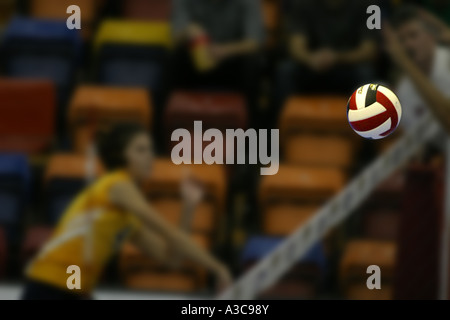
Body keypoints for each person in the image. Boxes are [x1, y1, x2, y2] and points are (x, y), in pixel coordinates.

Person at [22, 123, 232, 300]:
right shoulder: (118, 185)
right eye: (140, 150)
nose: (149, 156)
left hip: (71, 283)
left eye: (150, 149)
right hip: (53, 282)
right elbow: (169, 232)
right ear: (122, 156)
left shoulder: (127, 217)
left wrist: (188, 207)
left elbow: (172, 259)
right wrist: (218, 268)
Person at [169, 0, 265, 124]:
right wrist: (187, 31)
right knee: (173, 59)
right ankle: (167, 129)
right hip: (196, 64)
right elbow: (174, 39)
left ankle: (252, 131)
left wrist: (224, 51)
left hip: (233, 64)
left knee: (253, 63)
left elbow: (255, 42)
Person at [274, 0, 377, 113]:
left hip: (347, 66)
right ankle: (285, 122)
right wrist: (311, 59)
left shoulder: (370, 6)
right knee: (286, 71)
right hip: (311, 65)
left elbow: (370, 50)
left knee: (366, 73)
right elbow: (295, 47)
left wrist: (336, 57)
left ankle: (365, 124)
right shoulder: (301, 4)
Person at [384, 6, 450, 133]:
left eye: (413, 35)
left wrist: (405, 64)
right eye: (401, 40)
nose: (408, 44)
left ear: (431, 36)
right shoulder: (404, 88)